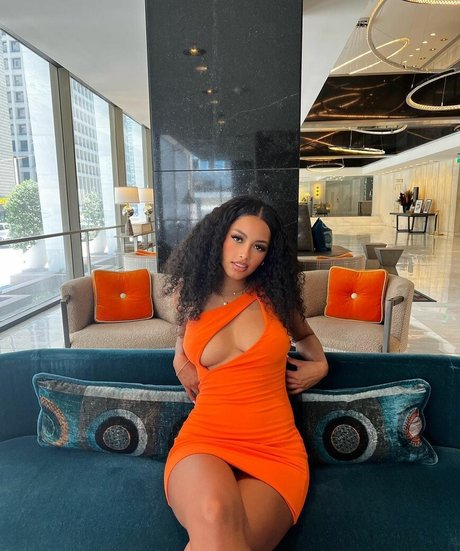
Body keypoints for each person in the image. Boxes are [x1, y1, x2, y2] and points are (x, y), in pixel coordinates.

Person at [163, 195, 328, 551]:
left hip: (274, 448)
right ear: (218, 237)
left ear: (268, 254)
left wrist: (319, 366)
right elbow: (182, 340)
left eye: (258, 246)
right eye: (237, 238)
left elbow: (306, 339)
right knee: (214, 513)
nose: (244, 255)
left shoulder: (277, 299)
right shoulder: (190, 295)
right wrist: (180, 363)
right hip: (205, 439)